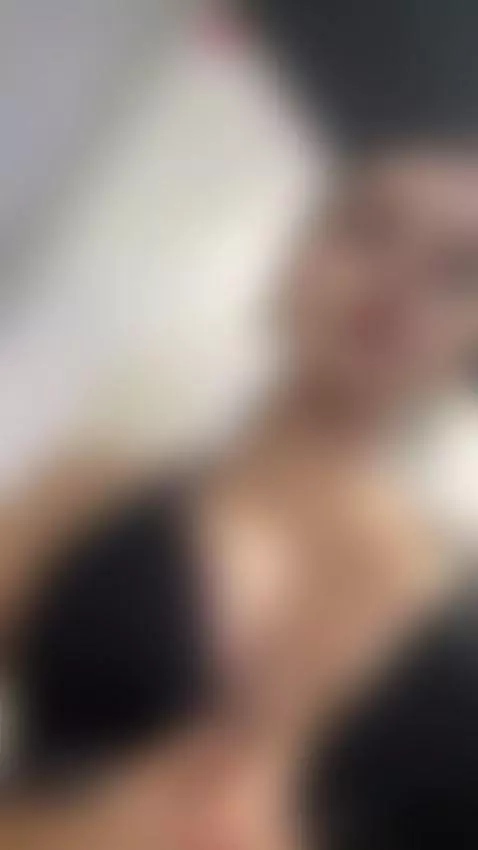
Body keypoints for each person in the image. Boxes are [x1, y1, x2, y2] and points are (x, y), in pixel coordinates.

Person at [2, 143, 478, 849]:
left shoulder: (454, 632)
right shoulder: (86, 495)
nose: (398, 278)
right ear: (292, 261)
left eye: (459, 270)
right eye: (370, 227)